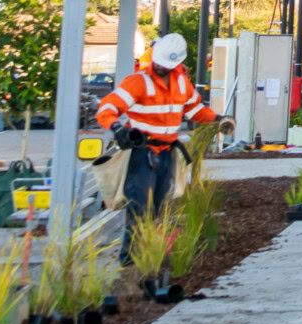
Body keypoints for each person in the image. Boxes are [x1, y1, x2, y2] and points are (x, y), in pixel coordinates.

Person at [95, 34, 226, 258]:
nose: (160, 67)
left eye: (166, 64)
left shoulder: (180, 83)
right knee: (138, 209)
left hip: (167, 154)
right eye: (158, 62)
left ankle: (150, 257)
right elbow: (108, 107)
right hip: (142, 153)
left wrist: (217, 119)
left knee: (158, 208)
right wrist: (117, 128)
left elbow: (195, 110)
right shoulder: (138, 81)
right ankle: (130, 261)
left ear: (177, 64)